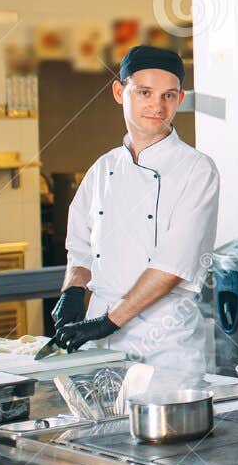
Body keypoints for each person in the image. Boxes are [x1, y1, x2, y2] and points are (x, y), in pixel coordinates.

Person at [55, 46, 220, 391]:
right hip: (101, 348)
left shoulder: (196, 169)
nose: (157, 107)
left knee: (166, 440)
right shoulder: (103, 168)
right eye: (145, 92)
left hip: (165, 347)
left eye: (168, 96)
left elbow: (173, 266)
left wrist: (108, 321)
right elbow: (81, 246)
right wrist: (73, 289)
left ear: (180, 99)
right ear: (120, 92)